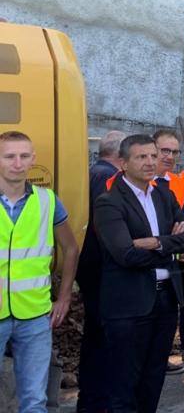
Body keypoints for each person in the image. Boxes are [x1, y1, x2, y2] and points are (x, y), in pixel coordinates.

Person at [93, 134, 184, 412]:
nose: (151, 161)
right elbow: (125, 255)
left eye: (153, 155)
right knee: (124, 383)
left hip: (165, 302)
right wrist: (169, 244)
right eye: (142, 157)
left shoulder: (164, 194)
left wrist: (156, 241)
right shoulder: (109, 202)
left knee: (153, 379)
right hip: (128, 304)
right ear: (124, 163)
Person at [0, 131, 78, 412]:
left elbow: (70, 248)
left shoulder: (47, 201)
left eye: (24, 156)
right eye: (9, 156)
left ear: (33, 159)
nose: (17, 163)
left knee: (34, 400)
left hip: (35, 316)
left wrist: (65, 297)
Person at [76, 130, 125, 412]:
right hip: (103, 268)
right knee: (102, 338)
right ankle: (96, 401)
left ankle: (92, 398)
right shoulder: (108, 179)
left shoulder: (93, 172)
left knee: (96, 335)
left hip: (90, 265)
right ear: (121, 156)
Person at [152, 129, 184, 373]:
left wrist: (172, 239)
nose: (169, 156)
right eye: (164, 151)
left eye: (175, 152)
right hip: (144, 265)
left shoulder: (177, 183)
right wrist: (170, 236)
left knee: (170, 313)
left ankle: (162, 357)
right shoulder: (139, 182)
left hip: (172, 260)